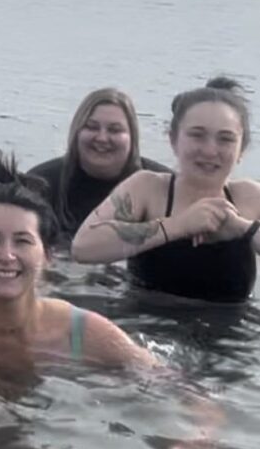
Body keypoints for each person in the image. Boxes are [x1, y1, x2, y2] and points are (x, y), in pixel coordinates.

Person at [0, 150, 154, 376]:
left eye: (22, 241)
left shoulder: (83, 334)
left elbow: (166, 382)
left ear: (48, 255)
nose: (7, 255)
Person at [72, 77, 260, 304]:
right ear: (173, 140)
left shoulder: (250, 197)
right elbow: (83, 248)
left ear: (242, 149)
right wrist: (179, 225)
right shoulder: (147, 188)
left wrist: (242, 228)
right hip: (148, 327)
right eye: (197, 135)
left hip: (234, 330)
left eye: (225, 139)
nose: (210, 151)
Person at [27, 87, 166, 238]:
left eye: (114, 130)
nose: (102, 138)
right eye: (91, 127)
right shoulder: (40, 183)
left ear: (132, 137)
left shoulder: (163, 186)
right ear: (76, 132)